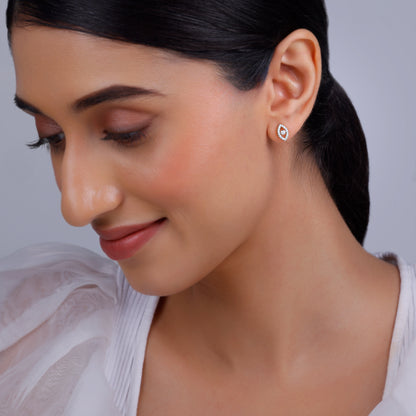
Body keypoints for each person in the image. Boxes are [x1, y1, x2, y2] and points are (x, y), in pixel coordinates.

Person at [1, 0, 415, 415]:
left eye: (125, 130)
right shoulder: (26, 345)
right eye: (52, 136)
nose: (76, 205)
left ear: (287, 86)